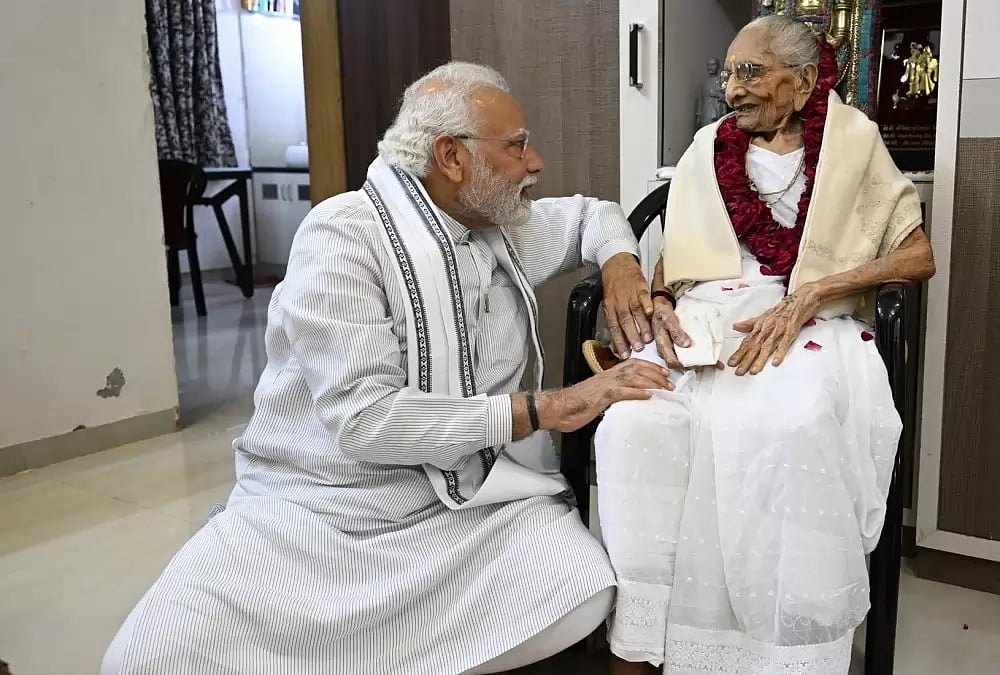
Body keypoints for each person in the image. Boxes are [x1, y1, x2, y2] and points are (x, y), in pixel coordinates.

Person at [102, 62, 672, 675]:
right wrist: (553, 407)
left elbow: (594, 215)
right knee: (142, 661)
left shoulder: (502, 226)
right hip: (324, 512)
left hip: (462, 507)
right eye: (517, 146)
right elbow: (365, 420)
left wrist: (622, 265)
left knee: (585, 587)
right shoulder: (343, 237)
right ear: (451, 158)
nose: (534, 163)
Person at [594, 16, 935, 675]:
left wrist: (810, 294)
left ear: (804, 80)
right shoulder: (706, 148)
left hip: (812, 319)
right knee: (633, 420)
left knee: (784, 424)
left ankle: (781, 647)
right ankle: (644, 635)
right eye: (728, 74)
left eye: (749, 72)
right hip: (708, 316)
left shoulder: (853, 143)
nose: (732, 89)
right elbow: (675, 259)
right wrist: (661, 301)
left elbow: (917, 254)